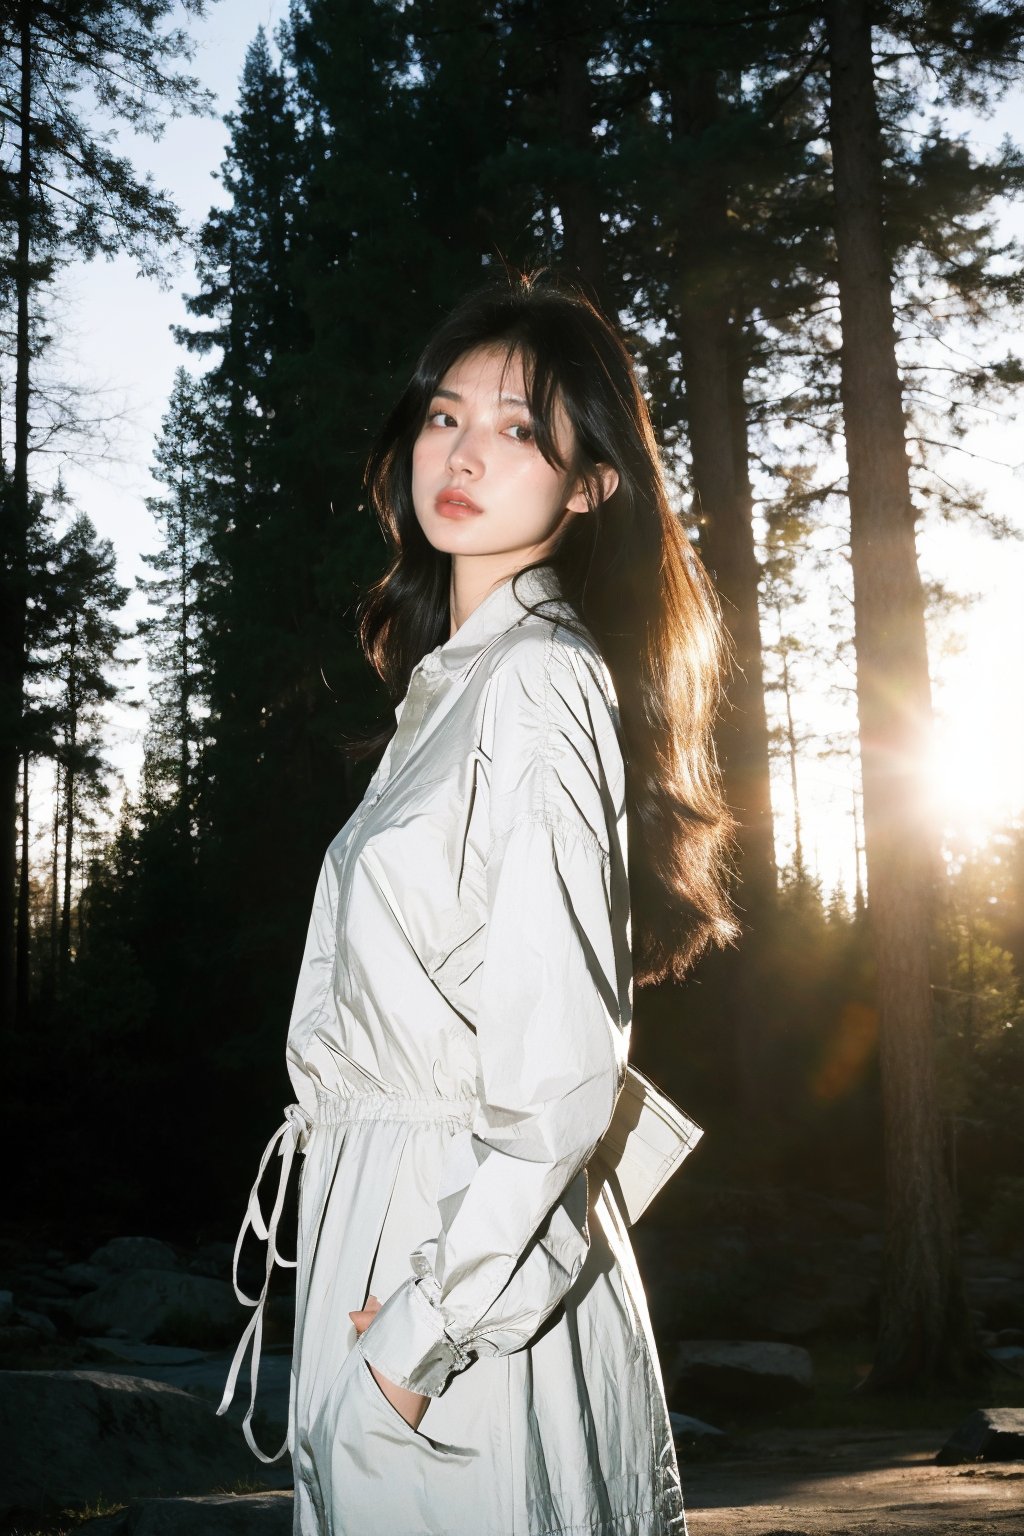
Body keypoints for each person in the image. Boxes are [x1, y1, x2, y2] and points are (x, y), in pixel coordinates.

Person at [217, 271, 737, 1536]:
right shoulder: (451, 689)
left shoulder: (539, 681)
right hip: (392, 1237)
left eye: (520, 428)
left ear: (590, 481)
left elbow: (561, 1072)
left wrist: (419, 1330)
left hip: (455, 1278)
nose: (463, 452)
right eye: (446, 415)